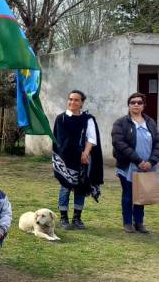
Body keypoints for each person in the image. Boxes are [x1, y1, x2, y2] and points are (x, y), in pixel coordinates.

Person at [52, 90, 104, 230]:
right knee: (65, 187)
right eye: (70, 99)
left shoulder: (88, 119)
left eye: (76, 100)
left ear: (82, 103)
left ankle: (77, 218)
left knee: (81, 188)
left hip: (82, 160)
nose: (72, 102)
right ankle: (64, 218)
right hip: (65, 160)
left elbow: (91, 139)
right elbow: (61, 140)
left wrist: (85, 153)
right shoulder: (61, 119)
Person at [111, 92, 159, 234]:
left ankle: (139, 223)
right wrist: (138, 160)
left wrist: (151, 162)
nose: (136, 105)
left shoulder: (150, 121)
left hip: (148, 167)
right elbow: (119, 143)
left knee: (141, 194)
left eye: (139, 102)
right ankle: (127, 223)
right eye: (133, 102)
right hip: (129, 165)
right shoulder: (120, 123)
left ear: (144, 105)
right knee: (128, 194)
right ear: (129, 105)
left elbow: (157, 144)